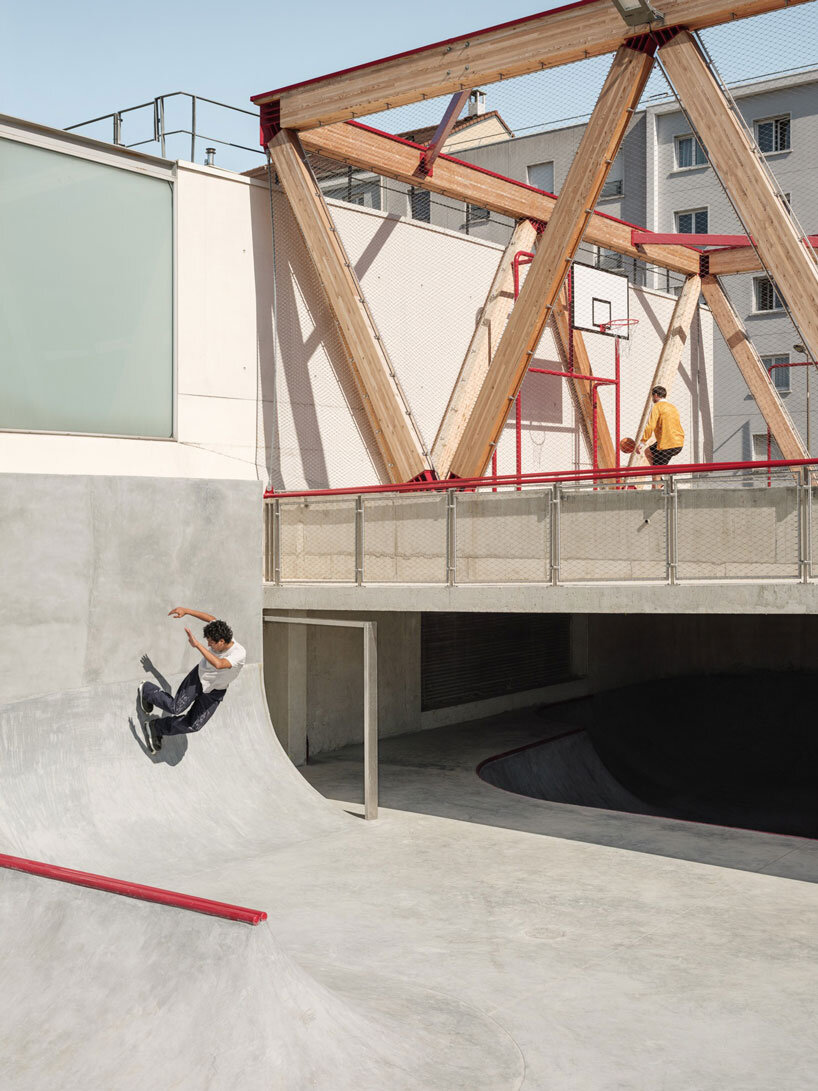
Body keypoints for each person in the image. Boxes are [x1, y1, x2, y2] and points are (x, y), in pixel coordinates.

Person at [138, 607, 246, 753]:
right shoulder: (219, 631)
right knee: (175, 708)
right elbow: (211, 618)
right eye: (207, 642)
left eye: (211, 643)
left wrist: (197, 645)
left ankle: (156, 727)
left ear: (221, 641)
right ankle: (147, 690)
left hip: (215, 691)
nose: (209, 645)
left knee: (194, 725)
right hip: (199, 678)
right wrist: (187, 611)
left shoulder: (239, 653)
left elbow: (220, 664)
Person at [637, 386, 685, 467]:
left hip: (667, 444)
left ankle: (657, 473)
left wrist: (642, 442)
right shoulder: (672, 407)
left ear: (655, 395)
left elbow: (650, 426)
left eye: (652, 396)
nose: (652, 398)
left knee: (658, 470)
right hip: (678, 442)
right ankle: (657, 472)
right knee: (648, 451)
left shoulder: (657, 407)